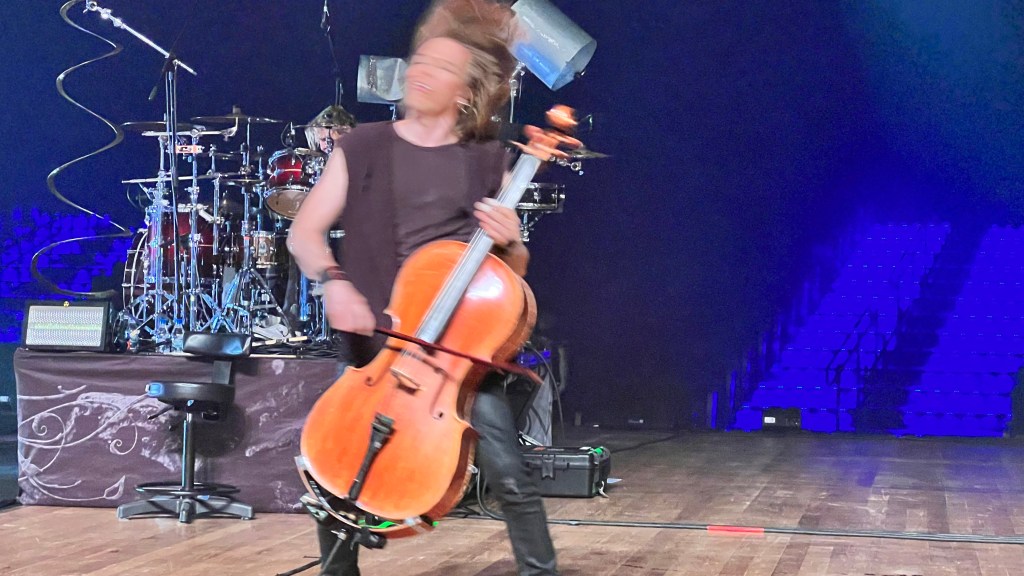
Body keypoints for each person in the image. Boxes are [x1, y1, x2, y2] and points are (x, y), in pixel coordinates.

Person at [286, 1, 559, 575]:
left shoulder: (485, 159)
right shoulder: (362, 145)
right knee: (335, 470)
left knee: (511, 476)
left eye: (440, 67)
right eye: (419, 61)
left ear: (464, 93)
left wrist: (511, 239)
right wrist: (333, 281)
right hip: (377, 343)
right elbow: (304, 233)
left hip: (454, 352)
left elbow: (511, 273)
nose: (420, 72)